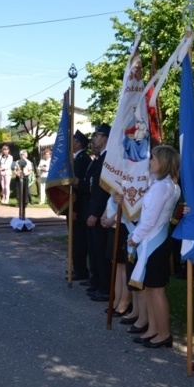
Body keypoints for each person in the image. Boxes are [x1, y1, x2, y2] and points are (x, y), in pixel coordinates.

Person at [126, 145, 181, 349]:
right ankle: (153, 329)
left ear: (164, 163)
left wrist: (134, 237)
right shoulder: (165, 185)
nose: (150, 162)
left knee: (156, 290)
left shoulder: (162, 187)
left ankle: (164, 333)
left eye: (154, 159)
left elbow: (150, 220)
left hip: (153, 241)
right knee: (149, 288)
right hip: (153, 240)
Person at [85, 124, 112, 303]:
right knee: (96, 250)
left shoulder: (108, 159)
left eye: (97, 135)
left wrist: (95, 213)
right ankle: (99, 282)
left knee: (102, 252)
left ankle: (106, 287)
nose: (94, 138)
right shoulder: (99, 158)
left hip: (103, 213)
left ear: (106, 138)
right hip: (96, 210)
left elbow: (103, 190)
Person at [71, 131, 92, 282]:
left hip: (79, 205)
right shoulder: (76, 158)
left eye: (73, 140)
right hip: (73, 204)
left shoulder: (82, 159)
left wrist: (75, 209)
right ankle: (77, 268)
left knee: (79, 241)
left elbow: (78, 187)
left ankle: (81, 271)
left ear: (78, 143)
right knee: (75, 240)